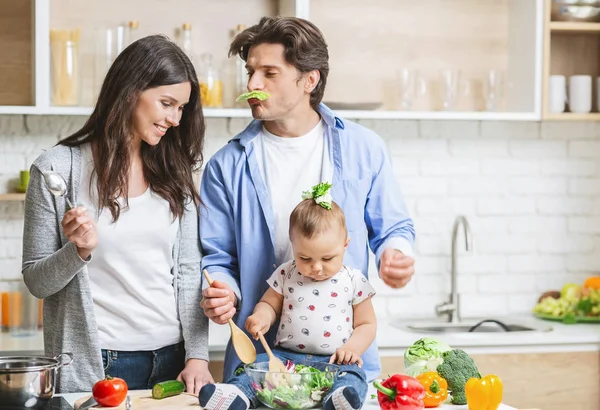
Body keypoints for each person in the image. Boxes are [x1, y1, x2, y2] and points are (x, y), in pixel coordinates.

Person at [199, 16, 415, 383]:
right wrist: (223, 293)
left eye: (269, 73)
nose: (252, 85)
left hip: (344, 358)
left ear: (309, 80)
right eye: (250, 72)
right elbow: (218, 259)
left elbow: (393, 227)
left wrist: (396, 252)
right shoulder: (226, 165)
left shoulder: (364, 149)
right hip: (261, 361)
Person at [21, 34, 212, 394]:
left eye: (181, 108)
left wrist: (198, 355)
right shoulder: (57, 170)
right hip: (99, 363)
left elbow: (188, 273)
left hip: (172, 362)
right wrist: (76, 251)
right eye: (166, 103)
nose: (174, 118)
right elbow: (36, 282)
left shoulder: (175, 170)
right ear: (129, 92)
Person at [199, 183, 376, 410]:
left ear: (345, 245)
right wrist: (261, 317)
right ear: (293, 246)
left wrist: (352, 348)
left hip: (333, 361)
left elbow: (367, 323)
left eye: (328, 258)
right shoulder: (286, 273)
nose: (317, 267)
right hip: (284, 359)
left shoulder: (354, 280)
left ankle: (339, 398)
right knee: (254, 367)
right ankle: (235, 394)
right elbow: (269, 305)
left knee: (353, 375)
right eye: (305, 258)